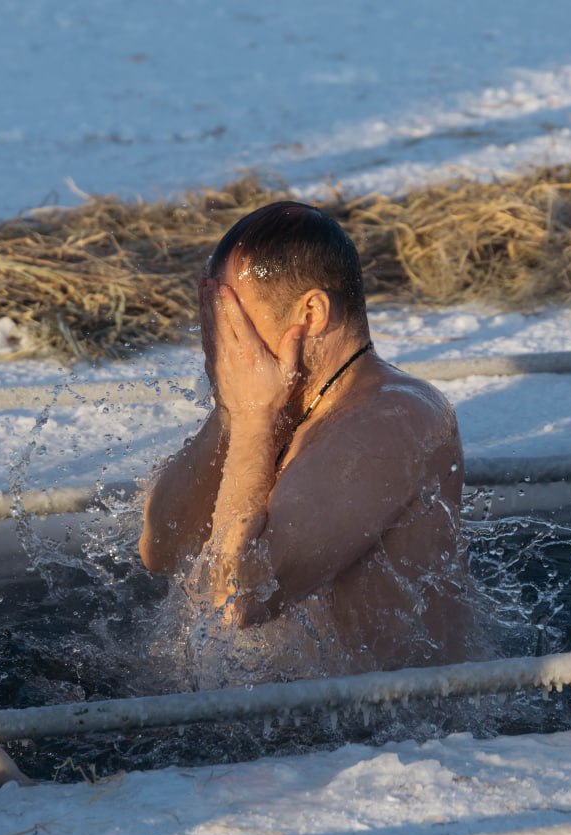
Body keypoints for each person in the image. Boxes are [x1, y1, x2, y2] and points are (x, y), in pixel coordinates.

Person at [139, 200, 470, 675]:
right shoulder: (285, 402)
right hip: (303, 705)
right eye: (216, 320)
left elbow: (235, 601)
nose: (225, 344)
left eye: (235, 321)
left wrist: (251, 418)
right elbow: (163, 551)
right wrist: (231, 415)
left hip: (401, 717)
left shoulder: (393, 420)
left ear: (312, 313)